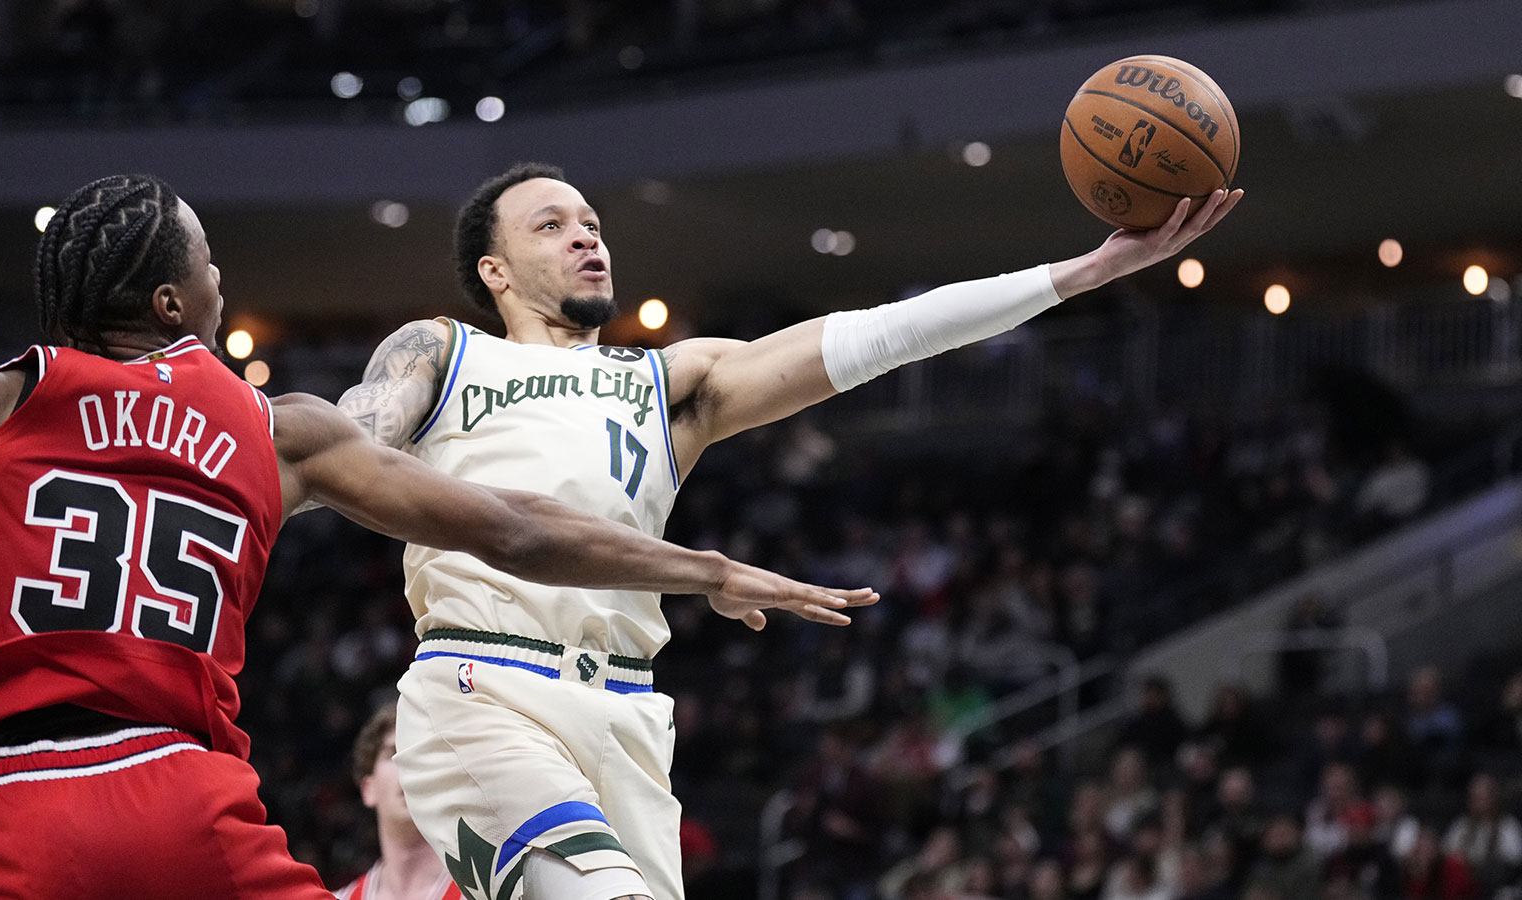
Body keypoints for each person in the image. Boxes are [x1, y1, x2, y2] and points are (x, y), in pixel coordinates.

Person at [0, 174, 872, 899]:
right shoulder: (276, 428)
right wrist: (705, 569)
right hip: (181, 791)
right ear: (172, 306)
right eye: (208, 262)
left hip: (6, 798)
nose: (219, 276)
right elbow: (517, 530)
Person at [338, 161, 1241, 900]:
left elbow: (874, 338)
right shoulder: (444, 350)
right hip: (481, 684)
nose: (586, 235)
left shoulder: (670, 379)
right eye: (550, 225)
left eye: (592, 222)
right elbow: (344, 445)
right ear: (493, 271)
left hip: (625, 713)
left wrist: (1077, 275)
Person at [336, 704, 462, 900]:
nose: (408, 766)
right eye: (393, 753)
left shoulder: (489, 894)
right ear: (368, 789)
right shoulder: (339, 898)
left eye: (419, 753)